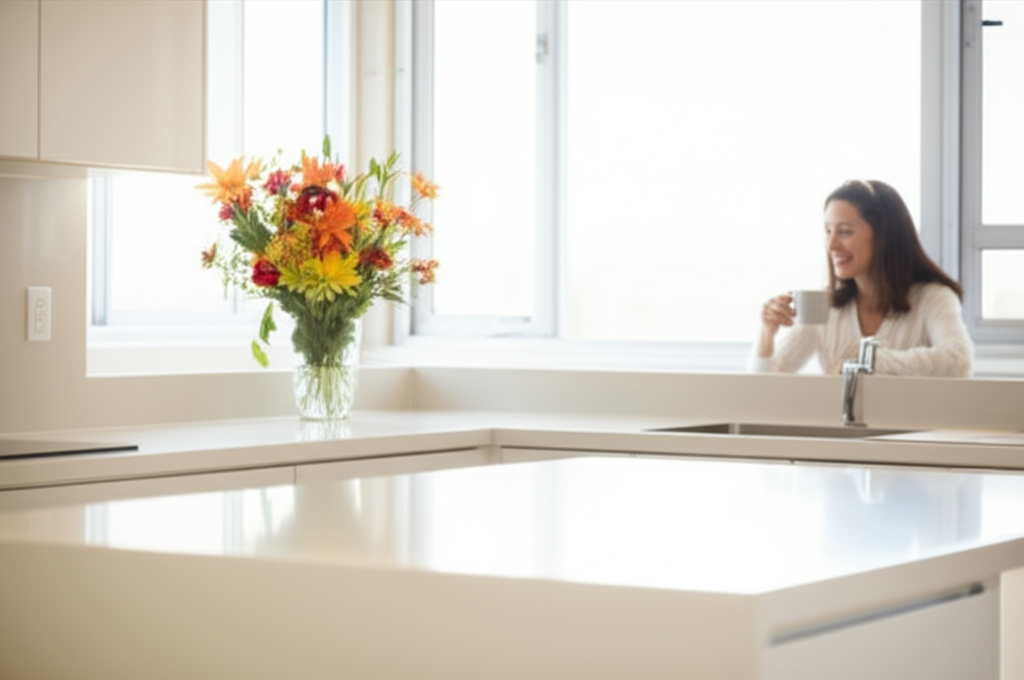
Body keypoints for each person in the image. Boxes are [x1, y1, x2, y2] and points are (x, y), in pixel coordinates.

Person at [751, 179, 973, 377]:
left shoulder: (933, 297)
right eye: (828, 231)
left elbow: (959, 361)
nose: (831, 245)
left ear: (883, 236)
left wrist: (866, 361)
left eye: (845, 232)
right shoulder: (826, 306)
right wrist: (767, 331)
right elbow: (764, 388)